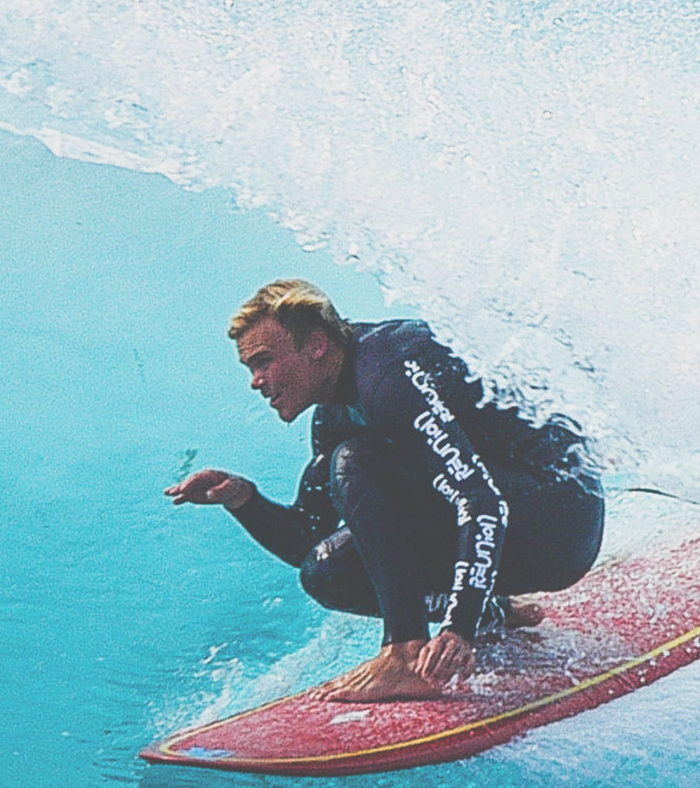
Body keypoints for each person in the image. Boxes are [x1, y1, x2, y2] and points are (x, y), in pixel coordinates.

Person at [166, 279, 605, 701]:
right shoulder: (335, 413)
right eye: (250, 368)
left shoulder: (387, 373)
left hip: (564, 516)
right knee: (326, 572)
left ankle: (404, 651)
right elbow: (308, 538)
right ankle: (500, 613)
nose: (255, 381)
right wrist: (245, 501)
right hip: (513, 524)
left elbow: (482, 501)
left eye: (264, 361)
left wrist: (459, 628)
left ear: (317, 345)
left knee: (356, 462)